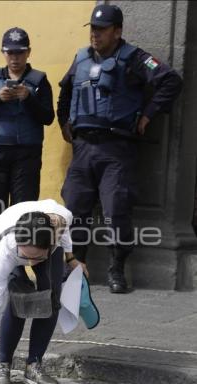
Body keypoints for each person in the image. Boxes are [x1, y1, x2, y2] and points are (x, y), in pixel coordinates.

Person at [57, 4, 183, 293]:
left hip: (117, 149)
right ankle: (76, 267)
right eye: (93, 29)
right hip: (83, 149)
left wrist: (149, 114)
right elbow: (65, 90)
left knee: (117, 210)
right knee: (75, 209)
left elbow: (170, 80)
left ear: (118, 31)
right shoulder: (81, 58)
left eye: (101, 30)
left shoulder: (135, 58)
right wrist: (64, 121)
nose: (95, 35)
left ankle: (117, 269)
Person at [0, 27, 54, 289]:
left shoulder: (39, 81)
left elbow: (48, 117)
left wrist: (28, 98)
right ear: (3, 53)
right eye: (10, 52)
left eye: (20, 52)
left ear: (28, 52)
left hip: (26, 156)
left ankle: (18, 271)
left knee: (22, 214)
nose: (15, 57)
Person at [0, 199, 87, 384]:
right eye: (26, 255)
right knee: (18, 297)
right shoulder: (7, 248)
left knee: (51, 297)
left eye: (34, 258)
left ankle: (33, 365)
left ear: (52, 242)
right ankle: (3, 365)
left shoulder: (62, 221)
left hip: (42, 243)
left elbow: (64, 234)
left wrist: (71, 259)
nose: (29, 262)